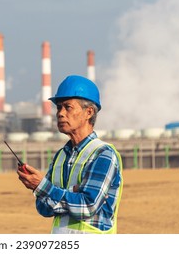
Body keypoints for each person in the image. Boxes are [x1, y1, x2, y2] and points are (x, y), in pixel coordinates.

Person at [17, 75, 123, 234]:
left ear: (89, 112)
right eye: (59, 107)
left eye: (68, 107)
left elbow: (87, 206)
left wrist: (43, 187)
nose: (60, 113)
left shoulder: (103, 154)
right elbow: (43, 208)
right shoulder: (61, 156)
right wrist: (71, 192)